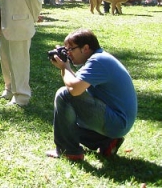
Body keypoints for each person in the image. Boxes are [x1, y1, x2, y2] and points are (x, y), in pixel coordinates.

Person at [47, 29, 137, 161]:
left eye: (70, 49)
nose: (68, 54)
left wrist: (65, 67)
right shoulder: (98, 59)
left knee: (63, 94)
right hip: (118, 120)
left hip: (117, 121)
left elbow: (74, 90)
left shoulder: (98, 61)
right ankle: (106, 142)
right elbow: (74, 85)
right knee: (65, 126)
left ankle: (70, 152)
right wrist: (65, 67)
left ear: (86, 48)